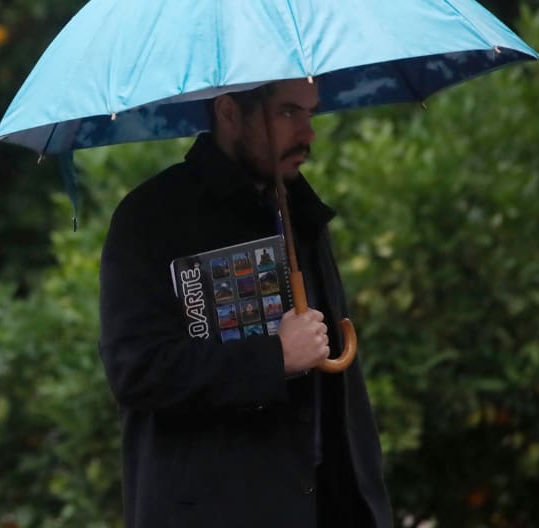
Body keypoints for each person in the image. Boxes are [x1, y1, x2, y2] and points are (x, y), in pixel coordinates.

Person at [98, 78, 392, 527]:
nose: (308, 133)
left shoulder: (299, 211)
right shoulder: (151, 217)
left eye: (310, 113)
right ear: (229, 113)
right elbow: (136, 370)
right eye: (288, 113)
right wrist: (274, 358)